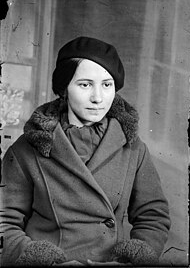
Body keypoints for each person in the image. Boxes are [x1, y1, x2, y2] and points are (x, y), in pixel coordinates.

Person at [1, 36, 171, 266]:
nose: (98, 98)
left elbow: (153, 217)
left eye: (107, 85)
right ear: (64, 89)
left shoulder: (133, 148)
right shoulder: (26, 149)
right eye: (85, 84)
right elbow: (4, 222)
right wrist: (45, 261)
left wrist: (130, 262)